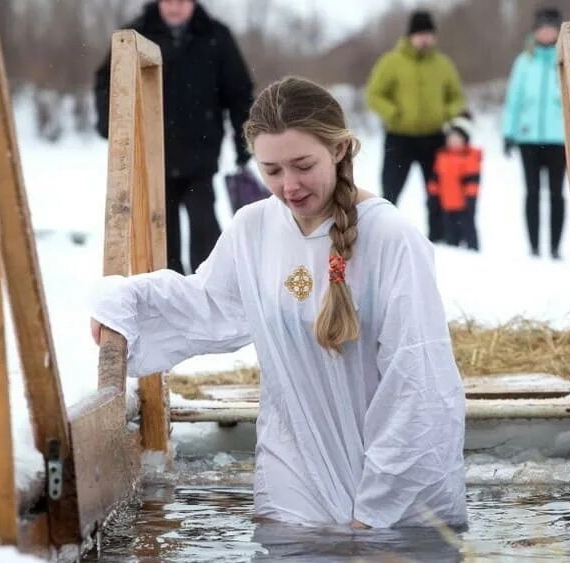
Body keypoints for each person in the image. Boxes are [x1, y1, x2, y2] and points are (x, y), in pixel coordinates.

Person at [90, 77, 467, 529]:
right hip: (293, 484)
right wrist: (124, 301)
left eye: (303, 165)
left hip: (390, 500)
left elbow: (419, 383)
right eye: (271, 170)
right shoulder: (254, 229)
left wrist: (376, 512)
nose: (289, 186)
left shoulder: (390, 238)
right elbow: (208, 306)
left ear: (340, 149)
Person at [94, 0, 254, 274]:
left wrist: (244, 143)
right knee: (161, 238)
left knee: (205, 233)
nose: (175, 7)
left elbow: (239, 92)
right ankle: (168, 292)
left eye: (181, 1)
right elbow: (107, 82)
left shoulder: (215, 35)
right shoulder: (137, 34)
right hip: (154, 158)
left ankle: (211, 288)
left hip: (200, 157)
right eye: (169, 0)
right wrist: (113, 125)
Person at [365, 10, 466, 243]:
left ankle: (438, 239)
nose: (424, 39)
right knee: (390, 191)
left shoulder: (443, 65)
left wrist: (446, 113)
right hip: (399, 137)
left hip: (434, 138)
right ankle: (383, 236)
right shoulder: (391, 62)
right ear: (410, 35)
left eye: (428, 34)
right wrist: (393, 113)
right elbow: (374, 94)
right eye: (420, 34)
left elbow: (457, 98)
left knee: (437, 191)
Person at [502, 7, 566, 259]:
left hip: (559, 140)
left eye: (551, 28)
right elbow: (513, 99)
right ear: (536, 31)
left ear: (558, 31)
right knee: (532, 193)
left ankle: (555, 247)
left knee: (557, 194)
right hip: (528, 139)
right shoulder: (524, 61)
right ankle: (534, 246)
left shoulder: (568, 61)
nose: (547, 32)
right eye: (543, 28)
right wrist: (509, 132)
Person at [428, 115, 482, 251]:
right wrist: (433, 195)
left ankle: (474, 252)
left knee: (468, 231)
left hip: (464, 205)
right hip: (446, 204)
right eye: (450, 138)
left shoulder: (469, 158)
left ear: (465, 139)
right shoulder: (442, 156)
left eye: (457, 138)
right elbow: (435, 178)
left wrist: (471, 198)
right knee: (450, 233)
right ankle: (453, 250)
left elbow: (472, 181)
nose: (453, 141)